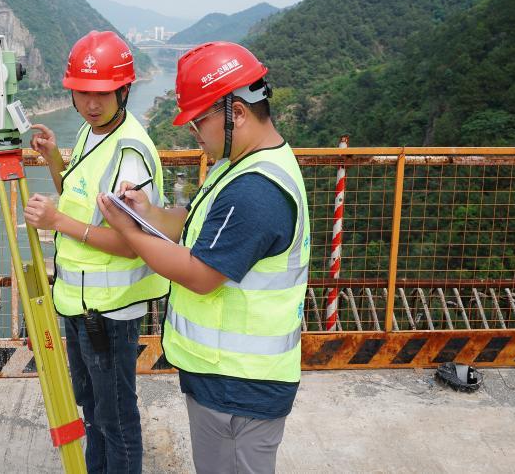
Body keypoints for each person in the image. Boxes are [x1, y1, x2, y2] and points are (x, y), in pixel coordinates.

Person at [96, 41, 310, 474]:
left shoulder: (256, 190)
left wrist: (129, 233)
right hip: (224, 377)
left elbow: (200, 274)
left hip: (242, 387)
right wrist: (147, 213)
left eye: (199, 121)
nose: (194, 133)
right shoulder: (237, 164)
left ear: (237, 113)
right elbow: (196, 225)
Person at [23, 30, 167, 474]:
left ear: (124, 90)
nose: (91, 103)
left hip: (110, 312)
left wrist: (57, 222)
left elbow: (133, 245)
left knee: (115, 418)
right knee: (92, 408)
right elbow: (79, 195)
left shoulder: (130, 154)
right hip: (80, 304)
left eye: (102, 93)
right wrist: (53, 159)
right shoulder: (93, 132)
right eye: (83, 92)